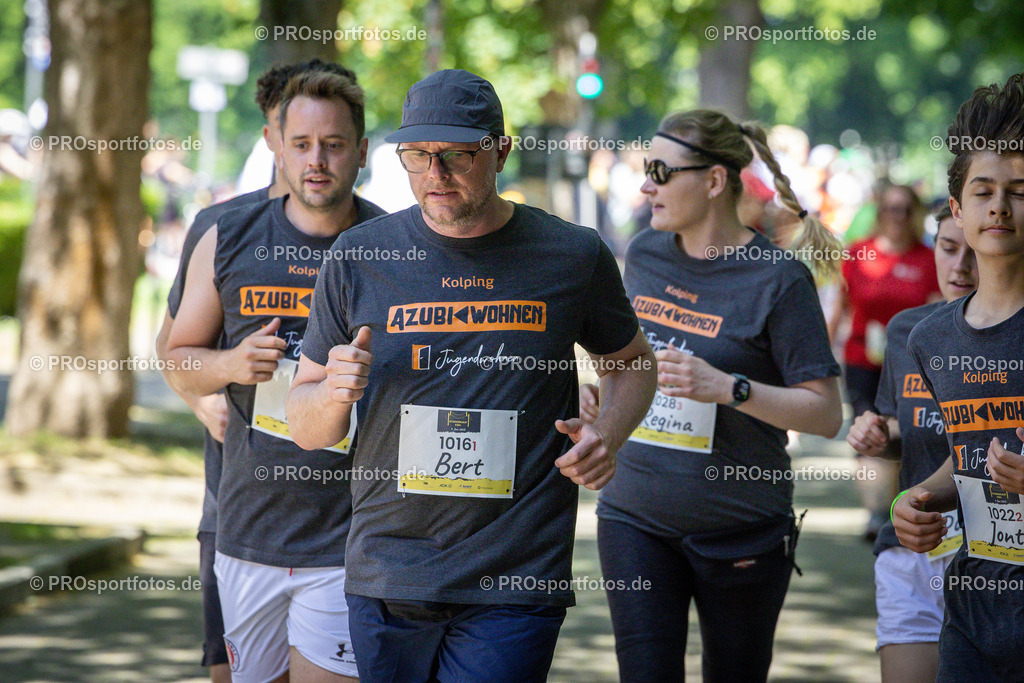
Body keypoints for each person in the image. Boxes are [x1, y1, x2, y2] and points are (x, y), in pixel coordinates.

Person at [285, 68, 658, 682]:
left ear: (500, 152)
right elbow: (306, 428)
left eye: (457, 154)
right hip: (390, 569)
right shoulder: (358, 257)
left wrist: (608, 434)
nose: (435, 173)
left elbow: (632, 363)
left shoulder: (571, 254)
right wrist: (331, 393)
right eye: (417, 155)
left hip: (516, 572)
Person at [583, 109, 844, 681]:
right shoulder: (645, 253)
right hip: (634, 516)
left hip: (740, 530)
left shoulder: (778, 279)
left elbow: (826, 413)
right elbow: (628, 365)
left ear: (714, 180)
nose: (645, 186)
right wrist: (602, 397)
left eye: (660, 171)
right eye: (646, 169)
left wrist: (729, 388)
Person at [165, 69, 385, 682]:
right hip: (248, 528)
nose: (317, 161)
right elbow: (177, 355)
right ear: (276, 147)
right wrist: (230, 365)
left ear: (361, 151)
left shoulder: (395, 247)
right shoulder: (228, 236)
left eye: (334, 145)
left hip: (350, 534)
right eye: (302, 144)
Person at [895, 72, 1024, 682]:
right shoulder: (931, 338)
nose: (1000, 205)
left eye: (1019, 190)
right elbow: (968, 452)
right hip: (974, 609)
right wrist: (917, 499)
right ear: (957, 210)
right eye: (984, 191)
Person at [847, 205, 977, 682]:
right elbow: (906, 434)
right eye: (948, 248)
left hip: (993, 552)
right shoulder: (908, 330)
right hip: (913, 543)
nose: (959, 266)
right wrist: (877, 437)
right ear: (932, 250)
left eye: (974, 252)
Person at [829, 183, 941, 540]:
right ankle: (876, 514)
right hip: (862, 360)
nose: (899, 216)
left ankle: (898, 508)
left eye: (906, 209)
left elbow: (940, 310)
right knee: (868, 426)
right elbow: (840, 306)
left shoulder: (929, 258)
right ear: (880, 212)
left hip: (911, 365)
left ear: (916, 213)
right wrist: (821, 354)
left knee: (904, 431)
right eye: (892, 208)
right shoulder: (858, 253)